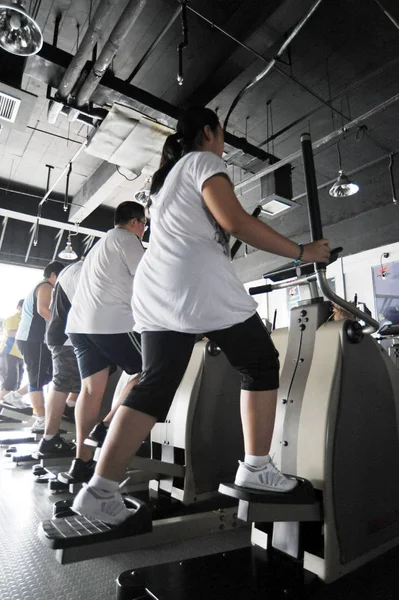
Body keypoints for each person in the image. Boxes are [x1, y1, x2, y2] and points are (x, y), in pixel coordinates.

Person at [73, 107, 330, 525]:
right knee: (261, 363)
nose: (224, 144)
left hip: (158, 290)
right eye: (222, 134)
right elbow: (237, 223)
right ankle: (257, 466)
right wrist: (304, 253)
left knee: (153, 387)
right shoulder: (202, 161)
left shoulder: (167, 182)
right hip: (194, 283)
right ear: (209, 132)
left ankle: (99, 490)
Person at [59, 201, 146, 485]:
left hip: (79, 326)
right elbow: (148, 280)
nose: (143, 230)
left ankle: (81, 462)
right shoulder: (128, 240)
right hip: (110, 323)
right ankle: (107, 426)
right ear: (135, 222)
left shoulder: (98, 245)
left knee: (89, 391)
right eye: (143, 224)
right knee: (148, 370)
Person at [35, 260, 84, 456]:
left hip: (62, 335)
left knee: (73, 381)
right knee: (62, 382)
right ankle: (50, 438)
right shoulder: (79, 273)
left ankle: (69, 408)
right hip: (66, 337)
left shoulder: (69, 273)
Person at [15, 261, 65, 432]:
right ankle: (42, 419)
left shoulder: (42, 286)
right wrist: (64, 325)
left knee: (47, 374)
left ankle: (15, 396)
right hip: (32, 339)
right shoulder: (46, 286)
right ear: (53, 275)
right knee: (37, 378)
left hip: (33, 339)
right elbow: (44, 310)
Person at [0, 299, 28, 403]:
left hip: (20, 356)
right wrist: (26, 330)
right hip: (8, 354)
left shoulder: (26, 320)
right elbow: (9, 333)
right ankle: (3, 408)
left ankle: (9, 408)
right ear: (19, 307)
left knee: (17, 383)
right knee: (9, 383)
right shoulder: (13, 319)